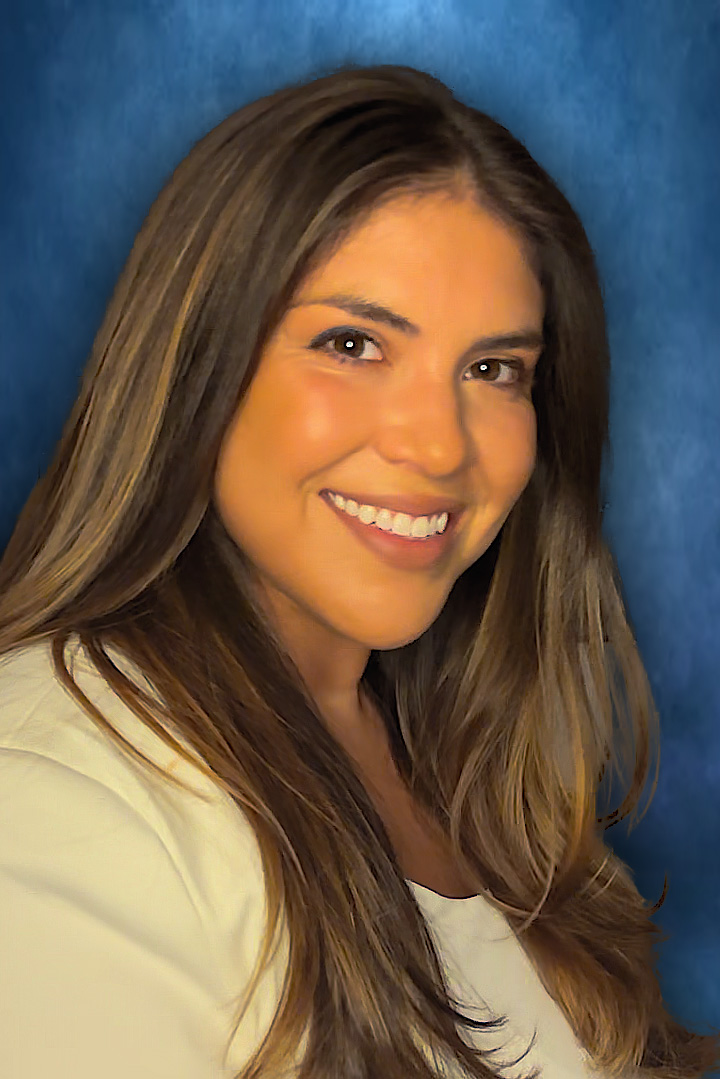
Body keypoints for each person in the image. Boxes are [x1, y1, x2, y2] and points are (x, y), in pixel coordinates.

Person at [0, 63, 716, 1079]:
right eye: (352, 343)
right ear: (200, 360)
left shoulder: (463, 760)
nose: (437, 446)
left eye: (493, 369)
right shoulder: (55, 796)